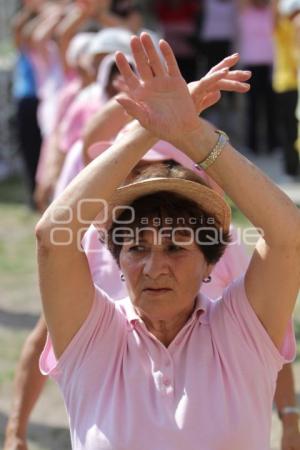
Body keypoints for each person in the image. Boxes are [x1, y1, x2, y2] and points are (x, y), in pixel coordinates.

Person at [35, 33, 300, 449]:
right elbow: (52, 237)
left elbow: (289, 236)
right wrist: (146, 130)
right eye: (137, 247)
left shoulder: (239, 333)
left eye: (176, 247)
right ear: (116, 260)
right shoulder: (95, 339)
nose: (155, 266)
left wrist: (191, 132)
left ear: (212, 261)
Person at [4, 54, 250, 450]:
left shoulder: (231, 317)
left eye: (163, 163)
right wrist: (16, 427)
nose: (155, 266)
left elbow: (270, 319)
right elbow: (45, 326)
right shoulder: (91, 252)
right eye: (133, 167)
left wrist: (189, 130)